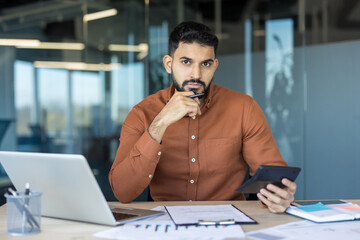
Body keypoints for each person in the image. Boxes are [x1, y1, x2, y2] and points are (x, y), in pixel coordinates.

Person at [109, 21, 297, 213]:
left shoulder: (244, 108)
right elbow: (123, 192)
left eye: (205, 64)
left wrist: (280, 195)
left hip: (229, 220)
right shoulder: (142, 113)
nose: (196, 74)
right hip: (164, 221)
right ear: (168, 64)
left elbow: (273, 178)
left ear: (214, 66)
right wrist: (161, 122)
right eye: (186, 62)